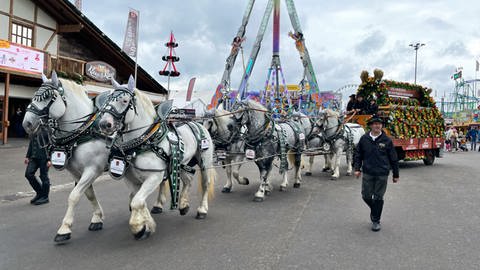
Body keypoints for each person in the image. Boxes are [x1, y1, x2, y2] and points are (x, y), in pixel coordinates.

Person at [354, 117, 399, 232]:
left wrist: (395, 174)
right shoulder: (364, 139)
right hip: (368, 172)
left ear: (382, 126)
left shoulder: (387, 140)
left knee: (378, 197)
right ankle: (375, 210)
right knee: (366, 195)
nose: (377, 126)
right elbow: (358, 154)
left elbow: (393, 158)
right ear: (370, 126)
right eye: (375, 124)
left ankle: (376, 220)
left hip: (382, 174)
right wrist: (357, 168)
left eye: (379, 124)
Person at [25, 129, 51, 205]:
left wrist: (50, 159)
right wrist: (27, 156)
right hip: (33, 157)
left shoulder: (46, 130)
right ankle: (40, 193)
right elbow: (31, 143)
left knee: (44, 176)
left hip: (45, 158)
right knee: (28, 174)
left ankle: (45, 197)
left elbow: (51, 145)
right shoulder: (33, 130)